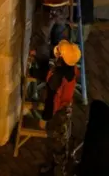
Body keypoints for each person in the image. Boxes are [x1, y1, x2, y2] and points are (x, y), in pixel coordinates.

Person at [39, 39, 81, 176]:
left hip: (58, 113)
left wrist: (45, 117)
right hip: (67, 109)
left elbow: (51, 96)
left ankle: (58, 171)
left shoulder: (58, 76)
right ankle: (57, 165)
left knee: (57, 144)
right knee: (62, 141)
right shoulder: (73, 70)